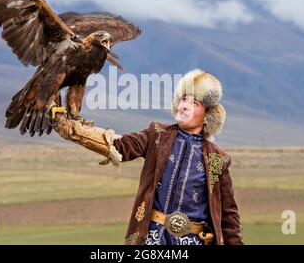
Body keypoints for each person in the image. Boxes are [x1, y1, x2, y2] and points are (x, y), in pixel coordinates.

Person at [51, 69, 243, 245]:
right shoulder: (157, 134)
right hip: (152, 238)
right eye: (184, 99)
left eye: (195, 102)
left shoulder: (218, 159)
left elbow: (228, 216)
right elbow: (122, 146)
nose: (185, 106)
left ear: (207, 114)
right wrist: (77, 131)